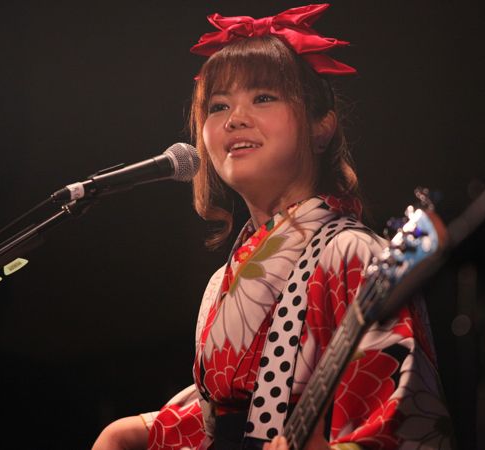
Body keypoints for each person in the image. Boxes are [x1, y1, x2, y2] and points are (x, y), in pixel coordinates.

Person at [92, 4, 453, 450]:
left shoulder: (355, 254)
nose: (234, 119)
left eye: (263, 97)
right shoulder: (218, 285)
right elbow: (218, 423)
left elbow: (399, 423)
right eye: (218, 106)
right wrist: (129, 434)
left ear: (322, 126)